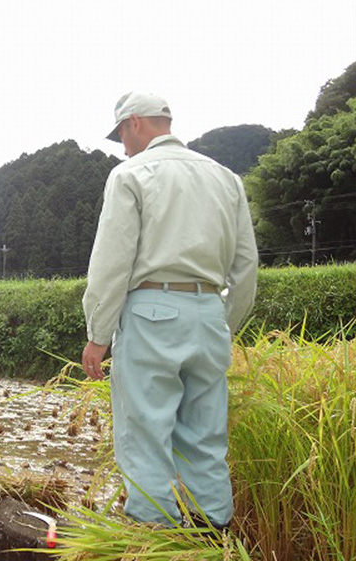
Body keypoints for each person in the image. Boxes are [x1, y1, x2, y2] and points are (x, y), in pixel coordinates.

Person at [81, 92, 258, 529]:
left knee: (144, 433)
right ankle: (213, 532)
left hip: (151, 312)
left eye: (121, 133)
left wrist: (97, 333)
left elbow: (112, 261)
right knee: (205, 435)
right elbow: (246, 265)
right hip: (209, 312)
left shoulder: (130, 174)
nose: (122, 146)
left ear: (135, 123)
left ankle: (153, 534)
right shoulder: (226, 177)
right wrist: (224, 321)